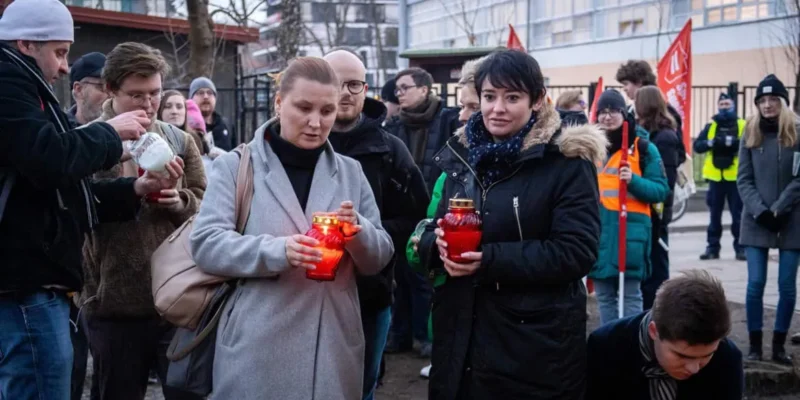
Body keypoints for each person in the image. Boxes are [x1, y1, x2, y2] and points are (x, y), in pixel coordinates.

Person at [0, 1, 184, 398]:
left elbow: (61, 192)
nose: (65, 67)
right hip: (32, 287)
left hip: (45, 286)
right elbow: (49, 159)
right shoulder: (8, 82)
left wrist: (137, 190)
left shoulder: (27, 86)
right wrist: (110, 134)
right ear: (26, 44)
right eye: (60, 52)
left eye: (155, 93)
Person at [190, 57, 394, 400]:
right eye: (304, 107)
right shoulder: (236, 166)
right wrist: (278, 250)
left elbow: (379, 257)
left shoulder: (351, 172)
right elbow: (206, 244)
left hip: (331, 345)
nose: (316, 122)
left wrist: (357, 231)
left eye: (327, 111)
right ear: (279, 102)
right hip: (257, 345)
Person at [417, 49, 607, 399]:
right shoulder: (463, 154)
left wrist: (488, 261)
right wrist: (436, 245)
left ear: (537, 100)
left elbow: (576, 251)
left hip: (532, 346)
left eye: (512, 97)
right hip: (460, 335)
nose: (497, 108)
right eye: (489, 96)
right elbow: (434, 223)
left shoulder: (566, 160)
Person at [77, 42, 206, 400]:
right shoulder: (86, 141)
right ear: (111, 89)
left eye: (155, 93)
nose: (149, 104)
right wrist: (132, 189)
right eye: (137, 95)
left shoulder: (179, 140)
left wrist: (180, 201)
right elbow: (75, 205)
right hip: (113, 301)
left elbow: (207, 206)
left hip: (177, 298)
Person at [323, 49, 429, 400]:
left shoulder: (390, 149)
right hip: (303, 288)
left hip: (369, 291)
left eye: (353, 84)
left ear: (365, 89)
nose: (345, 92)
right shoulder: (300, 142)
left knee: (361, 384)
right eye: (336, 83)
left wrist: (366, 235)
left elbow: (416, 216)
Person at [384, 67, 459, 356]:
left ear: (425, 89)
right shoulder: (394, 126)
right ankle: (399, 335)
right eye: (397, 89)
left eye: (405, 87)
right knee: (400, 277)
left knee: (425, 277)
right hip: (403, 213)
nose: (398, 94)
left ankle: (425, 336)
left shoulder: (448, 120)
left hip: (436, 212)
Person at [586, 270, 744, 400]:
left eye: (707, 355)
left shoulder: (727, 357)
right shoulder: (606, 348)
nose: (694, 368)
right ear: (654, 331)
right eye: (682, 356)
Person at [589, 89, 669, 325]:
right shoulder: (590, 148)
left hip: (630, 233)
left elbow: (660, 190)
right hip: (599, 231)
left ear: (624, 114)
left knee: (631, 295)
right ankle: (609, 339)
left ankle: (631, 340)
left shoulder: (643, 148)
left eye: (613, 111)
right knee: (604, 296)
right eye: (602, 112)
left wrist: (633, 181)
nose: (607, 116)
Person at [738, 74, 800, 365]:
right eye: (762, 100)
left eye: (773, 99)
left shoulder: (797, 132)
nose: (767, 105)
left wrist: (780, 208)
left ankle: (778, 346)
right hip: (756, 219)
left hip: (791, 219)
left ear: (783, 102)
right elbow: (743, 179)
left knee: (787, 285)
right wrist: (761, 211)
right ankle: (754, 345)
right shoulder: (750, 132)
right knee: (755, 283)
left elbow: (799, 178)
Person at [635, 86, 683, 311]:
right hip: (650, 209)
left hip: (657, 211)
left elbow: (666, 179)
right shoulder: (650, 133)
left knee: (657, 265)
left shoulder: (664, 137)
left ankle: (658, 311)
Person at [694, 93, 746, 261]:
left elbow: (751, 145)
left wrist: (733, 143)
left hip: (735, 178)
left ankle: (741, 249)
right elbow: (697, 146)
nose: (724, 107)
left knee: (738, 216)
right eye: (721, 104)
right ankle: (712, 248)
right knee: (714, 216)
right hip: (716, 178)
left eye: (727, 104)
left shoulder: (742, 125)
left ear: (733, 105)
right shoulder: (711, 126)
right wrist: (711, 143)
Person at [190, 76, 235, 151]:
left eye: (210, 93)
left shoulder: (227, 125)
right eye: (200, 93)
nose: (205, 96)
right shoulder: (187, 127)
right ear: (191, 99)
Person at [68, 51, 108, 126]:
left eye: (114, 88)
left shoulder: (124, 129)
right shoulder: (59, 129)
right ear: (78, 89)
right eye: (101, 87)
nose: (110, 95)